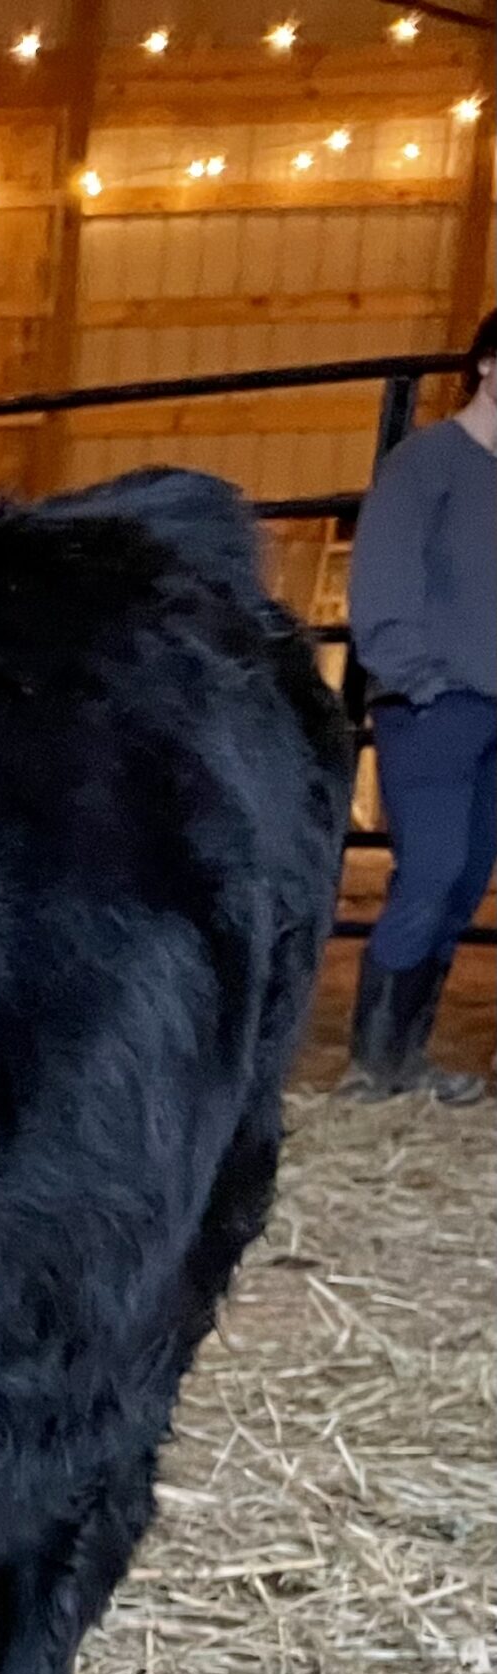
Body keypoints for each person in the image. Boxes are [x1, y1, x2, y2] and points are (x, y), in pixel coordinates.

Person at [342, 307, 497, 1103]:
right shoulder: (426, 463)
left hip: (490, 710)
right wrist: (422, 681)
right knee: (430, 872)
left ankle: (408, 1057)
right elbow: (381, 584)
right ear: (487, 366)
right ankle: (371, 1069)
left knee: (464, 882)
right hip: (434, 706)